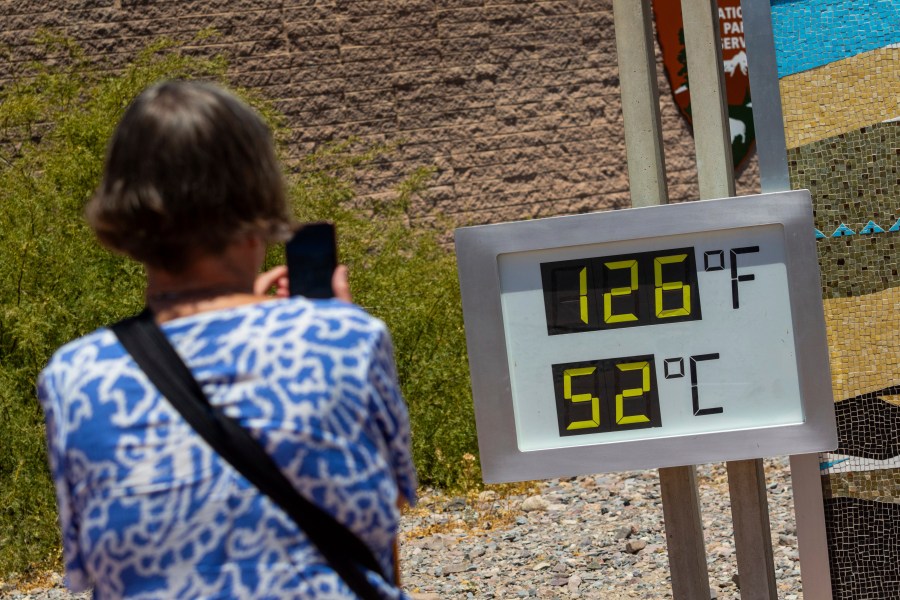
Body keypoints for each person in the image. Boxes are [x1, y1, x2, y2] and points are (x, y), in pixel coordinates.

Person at [37, 80, 416, 599]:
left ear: (122, 208)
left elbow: (93, 570)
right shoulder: (343, 338)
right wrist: (331, 332)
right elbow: (383, 513)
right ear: (258, 195)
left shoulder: (73, 377)